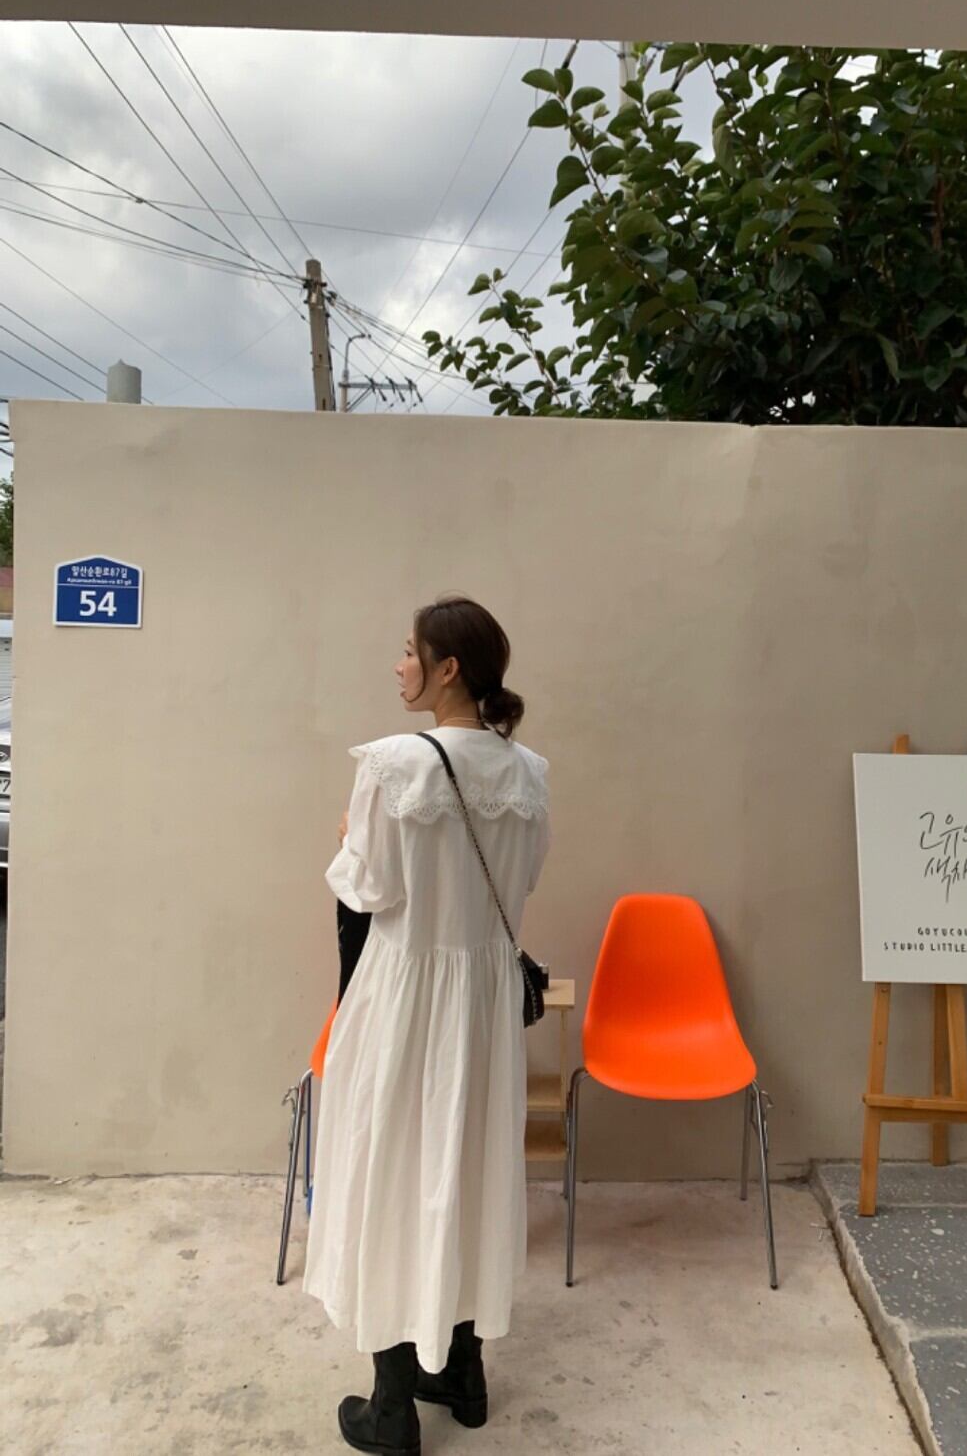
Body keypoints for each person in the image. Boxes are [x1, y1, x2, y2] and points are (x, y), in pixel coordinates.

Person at [302, 595, 551, 1456]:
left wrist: (349, 836)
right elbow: (523, 881)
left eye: (410, 651)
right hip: (482, 1001)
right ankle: (462, 1373)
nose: (399, 665)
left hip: (406, 994)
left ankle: (392, 1406)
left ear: (448, 668)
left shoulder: (395, 765)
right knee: (466, 1167)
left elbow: (370, 888)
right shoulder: (529, 773)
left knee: (390, 1171)